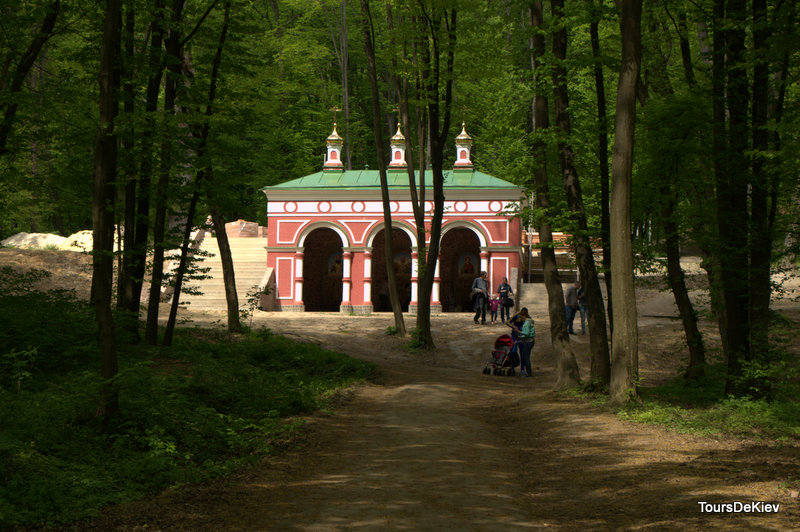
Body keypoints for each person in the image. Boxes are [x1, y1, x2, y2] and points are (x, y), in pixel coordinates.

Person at [510, 307, 535, 377]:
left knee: (525, 356)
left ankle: (527, 371)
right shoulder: (529, 321)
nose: (521, 319)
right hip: (524, 339)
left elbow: (526, 333)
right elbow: (508, 322)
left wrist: (519, 332)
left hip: (527, 341)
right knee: (519, 353)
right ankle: (525, 370)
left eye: (521, 317)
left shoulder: (527, 323)